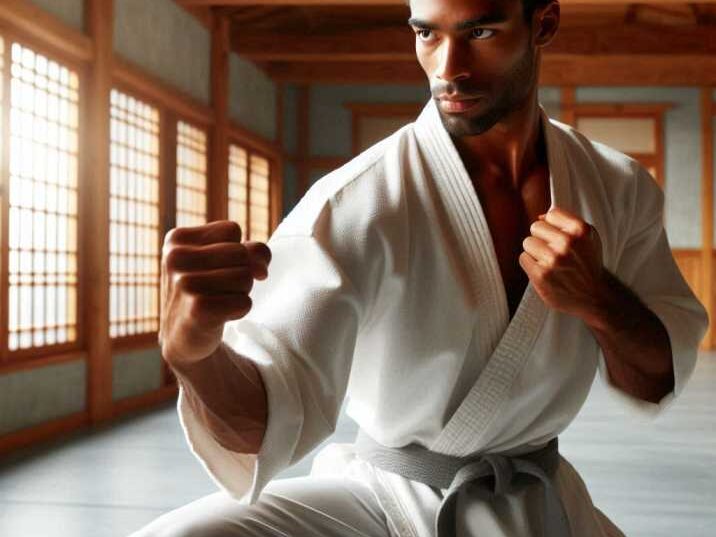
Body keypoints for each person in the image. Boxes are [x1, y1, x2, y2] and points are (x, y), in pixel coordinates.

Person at [131, 0, 709, 535]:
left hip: (544, 496)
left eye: (480, 31)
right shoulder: (355, 202)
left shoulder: (617, 187)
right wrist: (194, 356)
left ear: (544, 24)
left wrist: (600, 298)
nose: (448, 67)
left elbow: (655, 375)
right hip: (382, 502)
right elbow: (267, 421)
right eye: (426, 33)